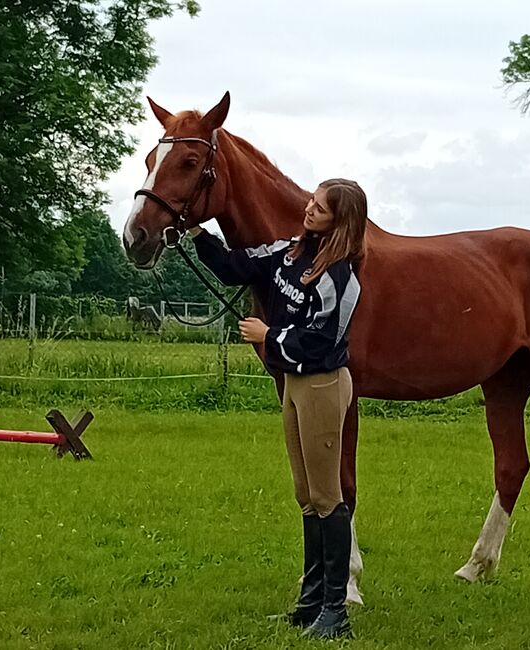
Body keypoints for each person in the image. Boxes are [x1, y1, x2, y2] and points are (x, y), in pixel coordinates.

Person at [188, 178, 367, 639]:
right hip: (294, 384)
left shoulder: (341, 279)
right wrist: (195, 232)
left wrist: (267, 336)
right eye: (311, 201)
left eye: (320, 208)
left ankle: (336, 611)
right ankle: (310, 603)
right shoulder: (287, 252)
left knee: (328, 496)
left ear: (340, 221)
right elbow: (233, 267)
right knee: (306, 495)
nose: (309, 210)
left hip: (323, 385)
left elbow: (323, 340)